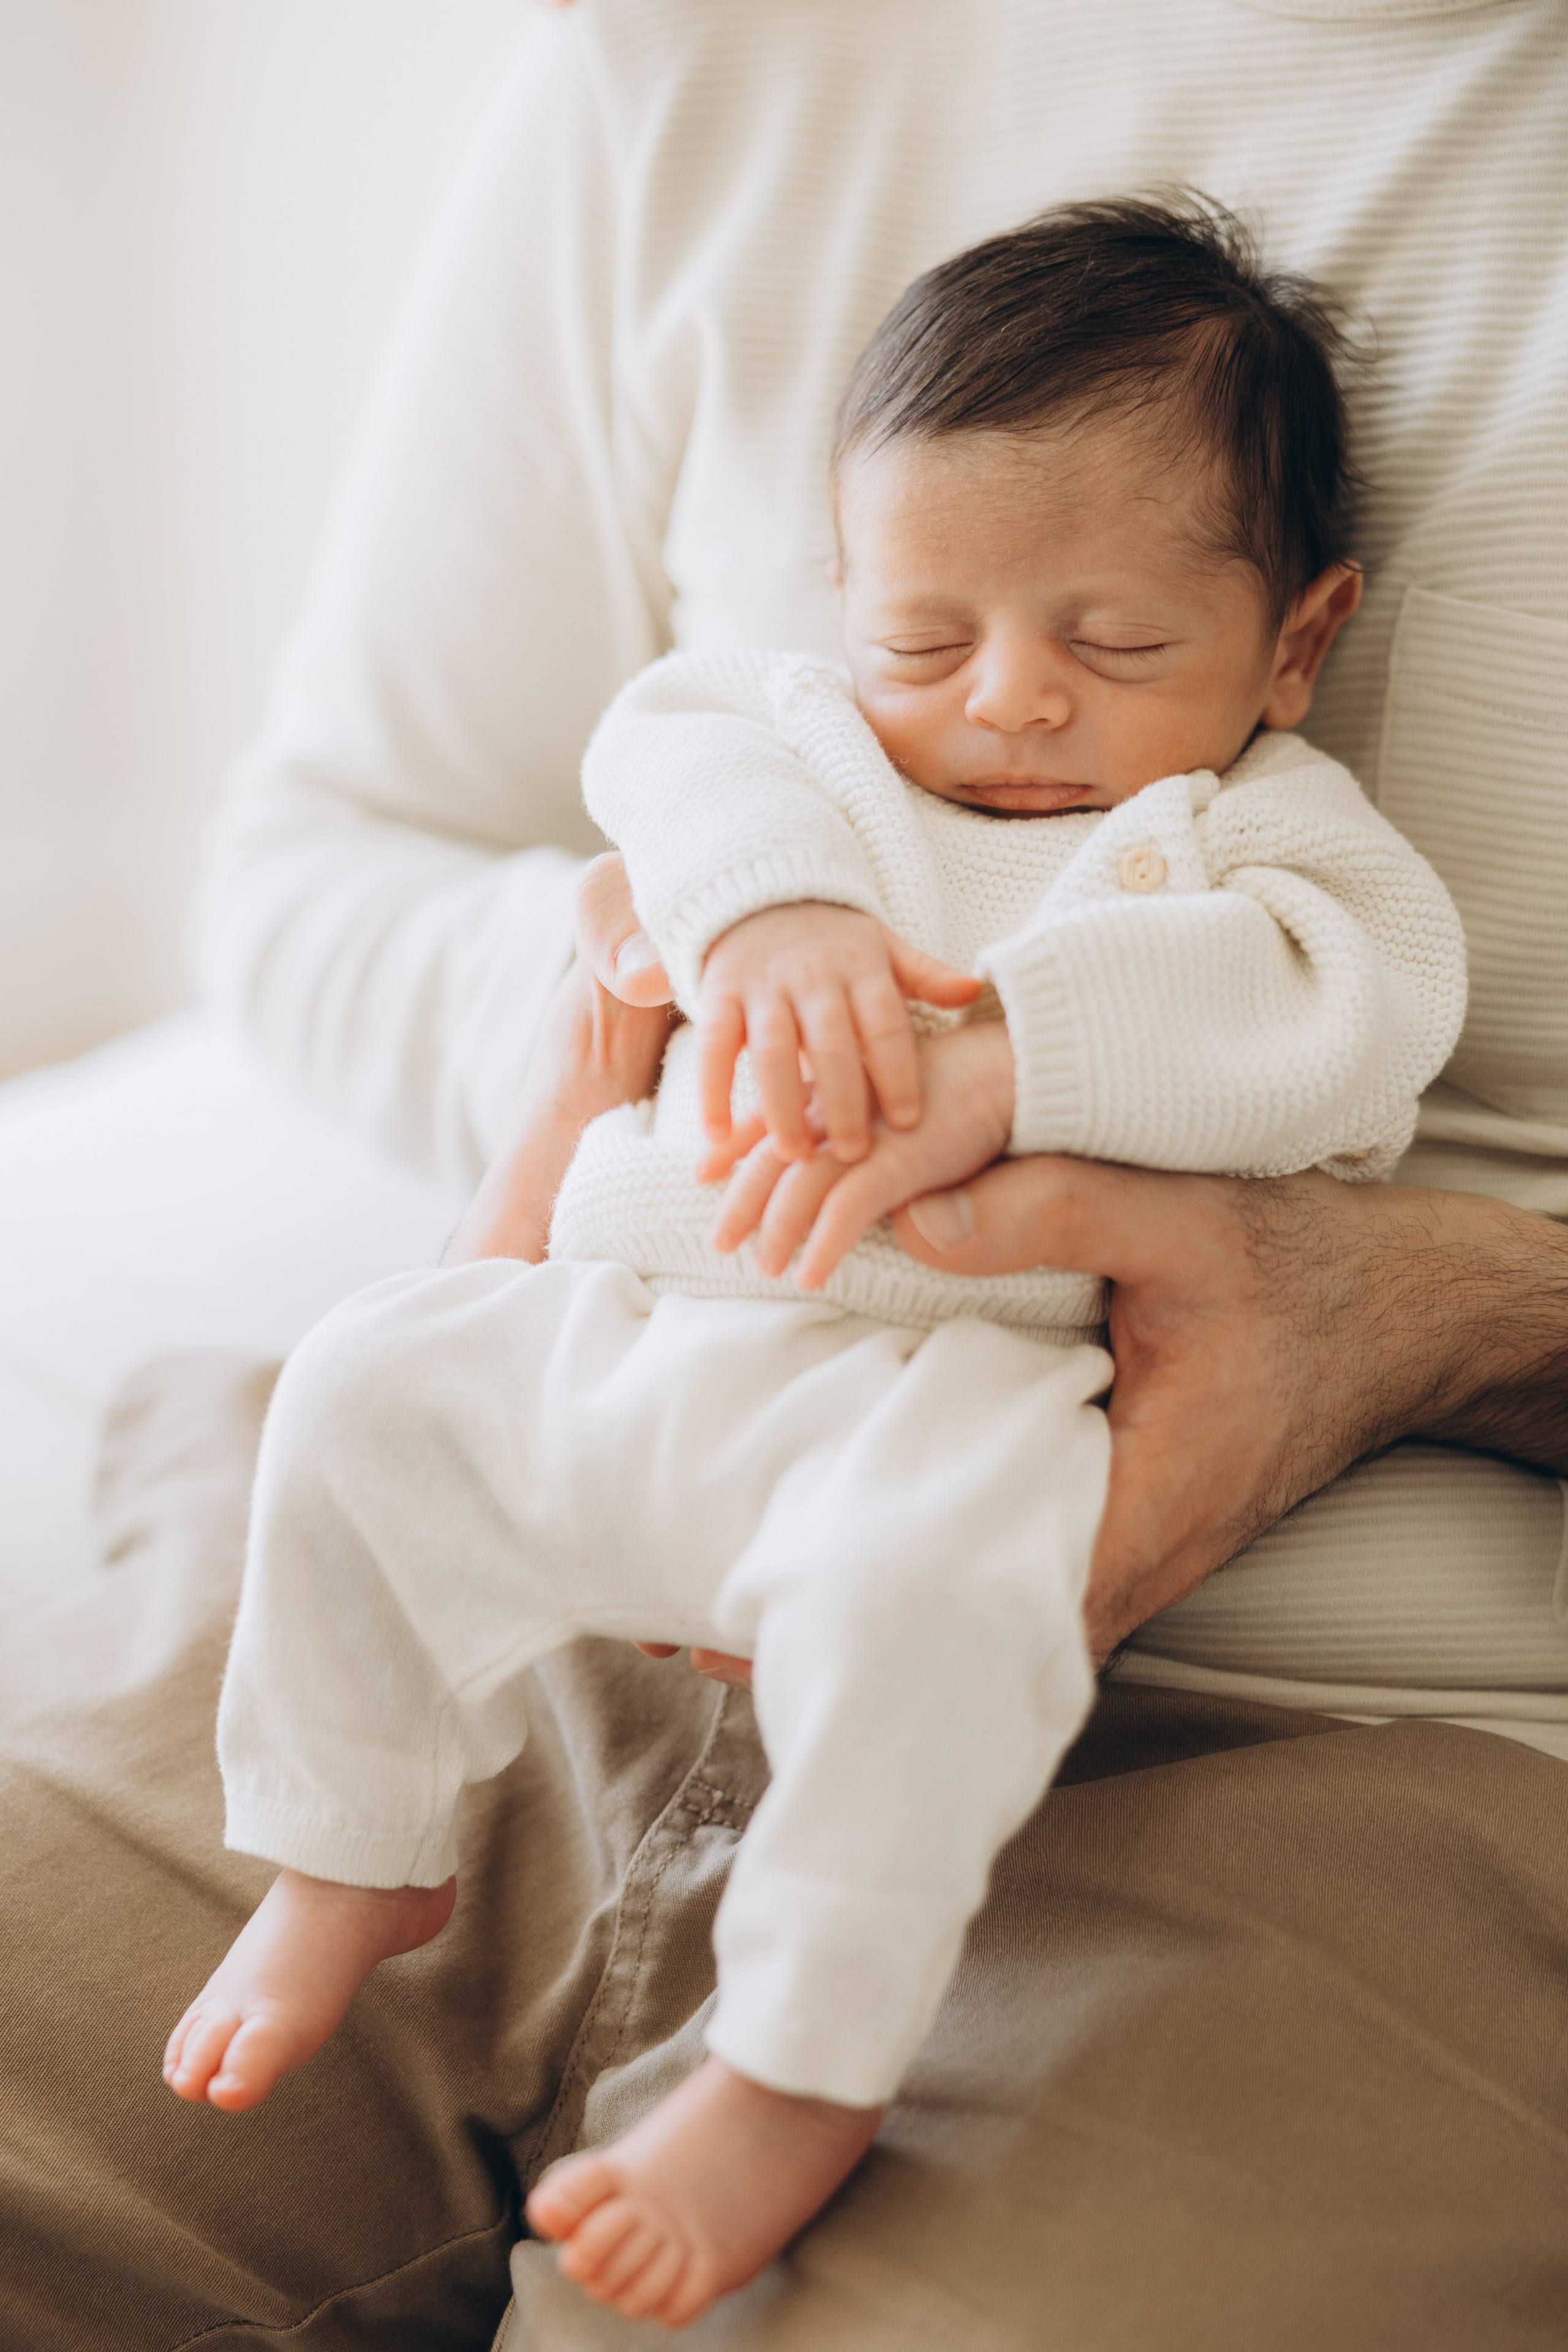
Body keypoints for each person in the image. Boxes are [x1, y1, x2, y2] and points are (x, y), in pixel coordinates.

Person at [4, 6, 1567, 2348]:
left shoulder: (1240, 843)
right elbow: (548, 783)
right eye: (926, 632)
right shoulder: (811, 731)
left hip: (1064, 1517)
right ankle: (349, 1845)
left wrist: (1038, 1073)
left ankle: (791, 2067)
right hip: (637, 1370)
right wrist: (718, 951)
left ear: (1299, 647)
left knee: (933, 1625)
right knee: (368, 1395)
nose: (1013, 706)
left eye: (1113, 641)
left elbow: (1331, 1006)